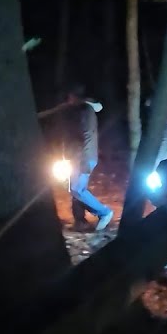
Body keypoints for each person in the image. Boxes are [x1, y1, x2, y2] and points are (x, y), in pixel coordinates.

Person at [62, 85, 114, 231]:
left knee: (77, 189)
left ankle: (104, 212)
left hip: (84, 157)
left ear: (76, 97)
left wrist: (85, 160)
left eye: (70, 97)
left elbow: (88, 136)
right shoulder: (81, 111)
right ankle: (81, 221)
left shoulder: (86, 111)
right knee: (76, 190)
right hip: (78, 157)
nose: (68, 100)